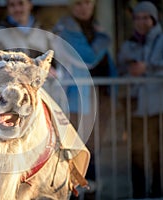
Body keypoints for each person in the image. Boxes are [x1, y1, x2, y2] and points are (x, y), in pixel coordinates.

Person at [52, 0, 117, 197]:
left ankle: (89, 193)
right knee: (73, 151)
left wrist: (114, 98)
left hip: (99, 101)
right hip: (73, 101)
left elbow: (108, 66)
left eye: (87, 2)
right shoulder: (62, 31)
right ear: (71, 6)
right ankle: (72, 194)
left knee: (92, 150)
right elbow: (84, 59)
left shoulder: (98, 31)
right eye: (78, 3)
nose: (83, 7)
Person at [118, 1, 163, 198]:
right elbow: (120, 69)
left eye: (146, 17)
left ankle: (160, 194)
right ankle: (139, 195)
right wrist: (129, 71)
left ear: (154, 19)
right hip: (136, 108)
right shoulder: (128, 44)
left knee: (161, 157)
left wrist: (147, 68)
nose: (141, 22)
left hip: (161, 108)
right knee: (137, 156)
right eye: (137, 18)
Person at [0, 0, 68, 112]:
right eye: (12, 5)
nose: (17, 9)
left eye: (21, 3)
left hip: (43, 97)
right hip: (10, 101)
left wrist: (54, 71)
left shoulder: (45, 33)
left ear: (30, 5)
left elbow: (59, 64)